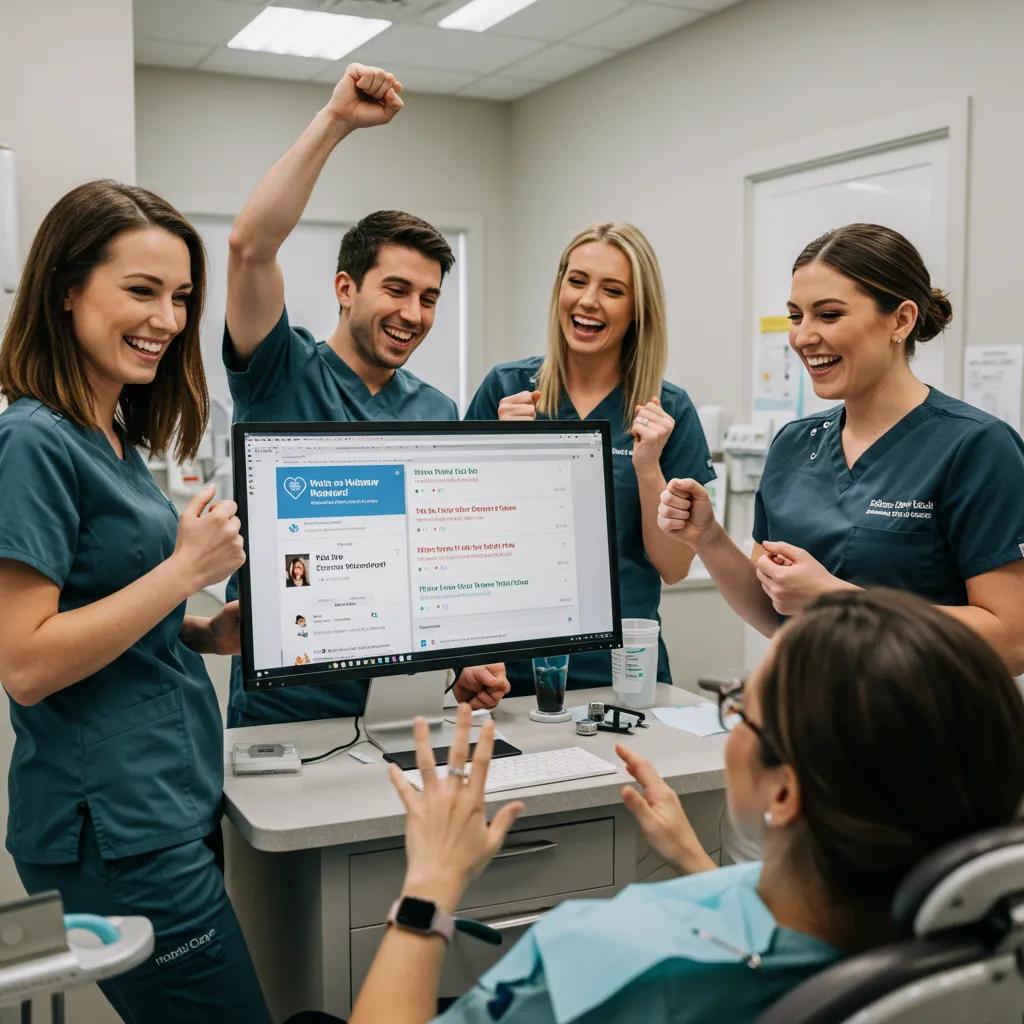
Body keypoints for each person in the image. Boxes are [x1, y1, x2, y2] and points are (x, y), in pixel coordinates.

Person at [348, 588, 1024, 1023]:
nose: (731, 722)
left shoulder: (604, 967)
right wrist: (695, 861)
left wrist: (429, 890)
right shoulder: (960, 958)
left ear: (784, 793)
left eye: (741, 710)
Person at [0, 181, 271, 1023]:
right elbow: (26, 661)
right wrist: (183, 572)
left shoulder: (110, 435)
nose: (167, 318)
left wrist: (197, 630)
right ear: (67, 289)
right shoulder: (33, 441)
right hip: (117, 827)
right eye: (141, 290)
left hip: (165, 800)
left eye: (182, 297)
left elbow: (96, 604)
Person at [224, 62, 509, 726]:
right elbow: (248, 247)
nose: (415, 312)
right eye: (397, 289)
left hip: (404, 704)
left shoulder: (437, 411)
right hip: (287, 706)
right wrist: (336, 122)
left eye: (430, 298)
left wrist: (465, 657)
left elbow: (436, 564)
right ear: (346, 288)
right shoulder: (280, 372)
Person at [658, 223, 1024, 674]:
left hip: (925, 730)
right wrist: (708, 537)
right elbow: (777, 614)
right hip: (810, 721)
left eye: (828, 315)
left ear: (901, 320)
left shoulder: (976, 446)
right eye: (796, 316)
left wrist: (839, 599)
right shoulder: (794, 444)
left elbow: (1012, 641)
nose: (803, 336)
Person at [465, 223, 714, 694]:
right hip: (511, 675)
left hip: (624, 673)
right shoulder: (506, 389)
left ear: (638, 309)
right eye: (577, 281)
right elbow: (460, 544)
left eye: (612, 290)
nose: (588, 300)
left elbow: (675, 567)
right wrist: (498, 458)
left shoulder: (669, 411)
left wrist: (648, 467)